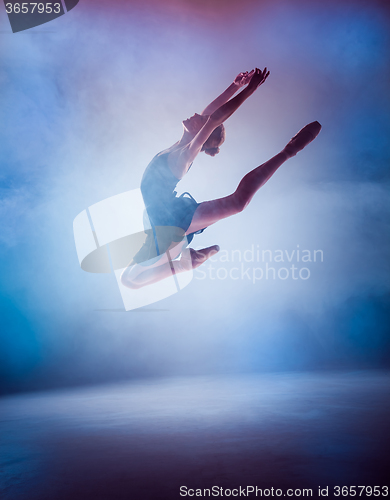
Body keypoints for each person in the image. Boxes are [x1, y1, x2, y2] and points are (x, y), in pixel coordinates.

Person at [121, 68, 321, 289]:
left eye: (202, 120)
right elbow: (211, 113)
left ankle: (289, 150)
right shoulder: (185, 139)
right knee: (129, 280)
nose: (197, 114)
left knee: (238, 203)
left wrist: (251, 90)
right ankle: (186, 264)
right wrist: (235, 86)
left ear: (203, 132)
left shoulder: (184, 157)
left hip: (168, 220)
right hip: (161, 216)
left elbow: (214, 118)